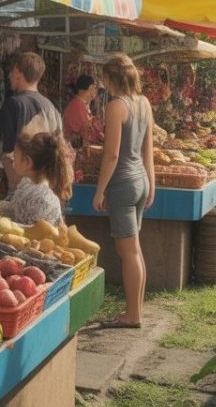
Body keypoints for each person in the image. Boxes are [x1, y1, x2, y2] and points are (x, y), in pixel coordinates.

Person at [92, 53, 155, 329]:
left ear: (108, 79)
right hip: (140, 180)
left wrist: (99, 190)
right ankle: (136, 311)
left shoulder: (116, 106)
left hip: (122, 184)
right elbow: (148, 151)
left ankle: (132, 316)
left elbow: (112, 154)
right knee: (135, 250)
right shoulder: (144, 103)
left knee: (127, 251)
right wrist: (151, 184)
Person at [0, 51, 62, 188]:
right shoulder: (51, 107)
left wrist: (13, 186)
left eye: (12, 71)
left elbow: (6, 150)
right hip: (46, 184)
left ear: (18, 72)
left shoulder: (13, 104)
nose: (9, 75)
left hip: (21, 184)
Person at [0, 131, 72, 226]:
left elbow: (29, 232)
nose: (12, 161)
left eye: (15, 158)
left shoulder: (42, 198)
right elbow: (13, 208)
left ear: (27, 162)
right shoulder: (27, 183)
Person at [63, 74, 100, 147]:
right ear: (91, 87)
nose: (96, 91)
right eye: (96, 88)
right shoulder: (77, 106)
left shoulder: (81, 104)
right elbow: (88, 133)